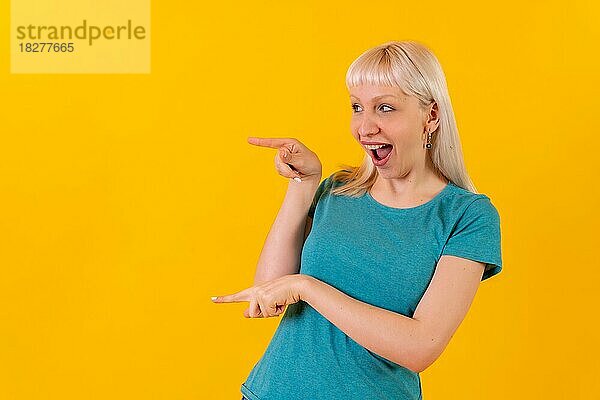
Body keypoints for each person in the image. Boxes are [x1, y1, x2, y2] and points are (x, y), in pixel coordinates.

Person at [211, 40, 503, 400]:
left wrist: (309, 287)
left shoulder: (467, 217)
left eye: (384, 108)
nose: (365, 127)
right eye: (356, 107)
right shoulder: (338, 190)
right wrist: (303, 184)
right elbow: (268, 290)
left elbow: (420, 348)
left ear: (431, 115)